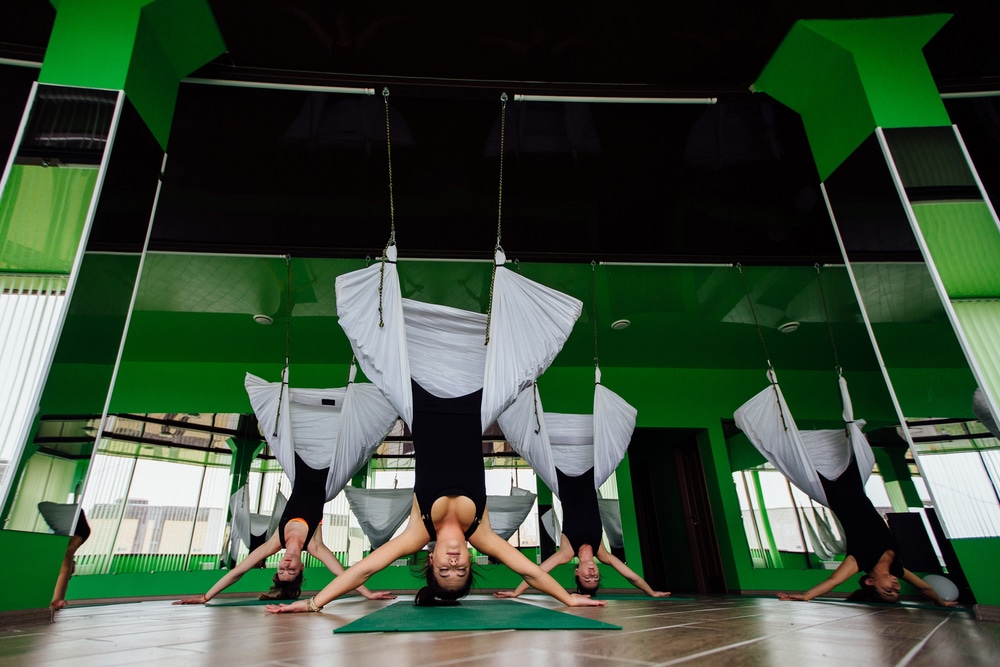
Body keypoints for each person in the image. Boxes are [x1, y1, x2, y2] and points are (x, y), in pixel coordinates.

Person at [264, 381, 606, 613]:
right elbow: (531, 572)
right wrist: (569, 600)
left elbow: (364, 569)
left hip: (422, 401)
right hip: (474, 403)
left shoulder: (418, 532)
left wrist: (312, 604)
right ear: (471, 561)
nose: (454, 563)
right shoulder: (482, 533)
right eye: (461, 569)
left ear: (431, 561)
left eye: (445, 568)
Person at [174, 453, 395, 604]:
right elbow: (345, 575)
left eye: (281, 570)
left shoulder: (274, 542)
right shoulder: (315, 545)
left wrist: (206, 596)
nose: (286, 565)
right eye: (291, 571)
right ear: (301, 569)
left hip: (301, 465)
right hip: (328, 468)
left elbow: (237, 572)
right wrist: (368, 594)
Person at [775, 458, 956, 607]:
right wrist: (941, 603)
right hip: (856, 489)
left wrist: (806, 596)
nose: (895, 586)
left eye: (888, 590)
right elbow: (925, 588)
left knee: (807, 460)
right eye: (896, 590)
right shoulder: (897, 568)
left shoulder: (858, 561)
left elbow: (833, 581)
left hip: (835, 494)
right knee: (852, 451)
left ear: (870, 582)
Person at [494, 467, 669, 599]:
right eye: (595, 578)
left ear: (577, 572)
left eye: (587, 578)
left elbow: (536, 572)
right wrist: (651, 592)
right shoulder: (602, 552)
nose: (592, 575)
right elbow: (630, 576)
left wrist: (516, 592)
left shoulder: (566, 552)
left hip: (563, 480)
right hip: (589, 477)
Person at [42, 503, 91, 617]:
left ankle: (58, 599)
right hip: (77, 529)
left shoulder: (63, 549)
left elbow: (65, 570)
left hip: (77, 529)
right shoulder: (65, 550)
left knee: (65, 563)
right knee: (65, 564)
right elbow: (65, 570)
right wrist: (58, 599)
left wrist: (58, 599)